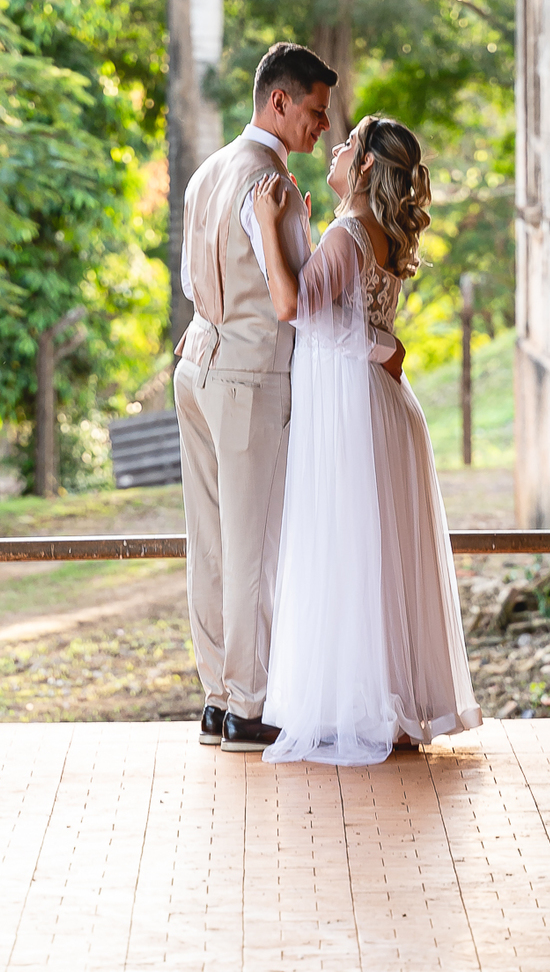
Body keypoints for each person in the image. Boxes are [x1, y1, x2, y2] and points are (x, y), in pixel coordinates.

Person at [174, 43, 404, 753]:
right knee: (252, 547)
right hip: (249, 374)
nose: (320, 126)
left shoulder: (211, 170)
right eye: (312, 110)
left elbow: (192, 276)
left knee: (209, 542)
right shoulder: (264, 183)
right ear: (279, 102)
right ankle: (245, 703)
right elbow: (294, 301)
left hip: (197, 359)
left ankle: (217, 693)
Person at [252, 115, 482, 765]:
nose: (336, 145)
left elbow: (293, 304)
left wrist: (271, 225)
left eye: (348, 142)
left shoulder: (350, 232)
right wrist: (384, 345)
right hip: (374, 403)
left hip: (353, 407)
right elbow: (349, 322)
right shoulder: (371, 232)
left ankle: (367, 706)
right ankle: (387, 703)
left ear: (364, 169)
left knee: (350, 546)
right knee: (371, 555)